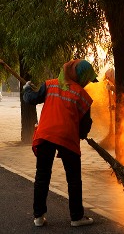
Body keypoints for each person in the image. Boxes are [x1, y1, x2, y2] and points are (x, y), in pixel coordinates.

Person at [23, 59, 98, 227]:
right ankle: (76, 217)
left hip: (46, 135)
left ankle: (38, 217)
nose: (87, 83)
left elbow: (31, 98)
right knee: (73, 179)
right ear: (80, 76)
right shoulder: (83, 96)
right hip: (67, 138)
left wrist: (27, 88)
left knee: (42, 176)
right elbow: (85, 125)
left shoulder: (50, 85)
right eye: (87, 79)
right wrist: (82, 134)